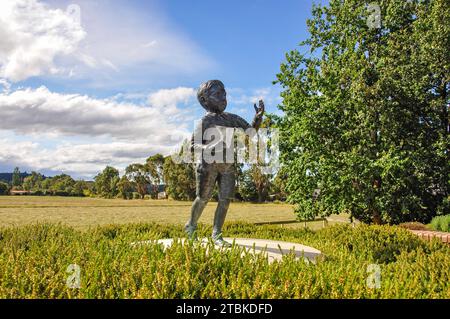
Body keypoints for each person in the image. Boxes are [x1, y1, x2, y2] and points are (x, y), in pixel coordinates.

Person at [185, 80, 265, 246]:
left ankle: (217, 234)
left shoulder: (231, 118)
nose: (223, 98)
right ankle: (191, 226)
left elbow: (250, 132)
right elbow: (192, 146)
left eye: (224, 94)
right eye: (218, 95)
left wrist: (257, 118)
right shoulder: (205, 121)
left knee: (225, 200)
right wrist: (208, 147)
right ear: (205, 101)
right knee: (203, 198)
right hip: (208, 166)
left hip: (228, 165)